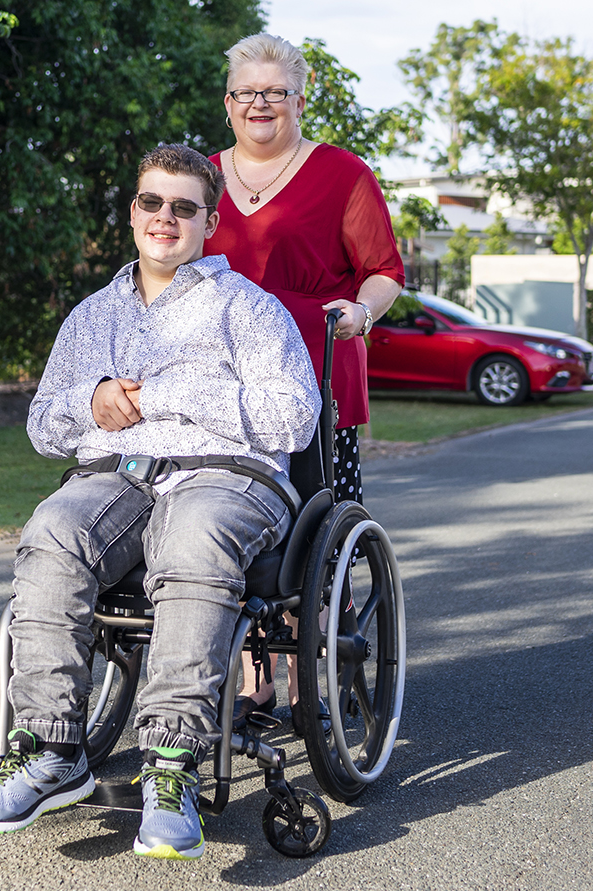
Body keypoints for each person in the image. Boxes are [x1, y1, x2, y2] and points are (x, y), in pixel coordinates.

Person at [0, 144, 320, 861]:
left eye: (184, 207)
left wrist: (166, 395)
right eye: (152, 202)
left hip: (228, 476)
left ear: (210, 222)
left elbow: (293, 417)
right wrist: (90, 400)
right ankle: (51, 749)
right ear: (133, 212)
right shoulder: (91, 316)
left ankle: (170, 767)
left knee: (191, 538)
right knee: (54, 529)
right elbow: (41, 425)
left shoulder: (248, 308)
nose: (165, 218)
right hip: (120, 475)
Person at [203, 33, 407, 731]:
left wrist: (361, 309)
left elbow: (383, 270)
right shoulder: (201, 179)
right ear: (229, 102)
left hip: (316, 375)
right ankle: (253, 679)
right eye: (246, 92)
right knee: (231, 524)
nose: (260, 104)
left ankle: (311, 674)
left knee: (313, 533)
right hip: (224, 388)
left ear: (299, 96)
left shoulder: (342, 173)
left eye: (275, 92)